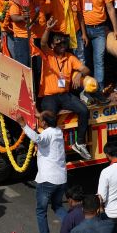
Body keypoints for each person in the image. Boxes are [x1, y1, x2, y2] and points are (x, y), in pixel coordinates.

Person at [37, 19, 91, 160]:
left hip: (65, 95)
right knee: (50, 119)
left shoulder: (70, 57)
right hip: (49, 96)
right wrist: (48, 29)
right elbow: (42, 43)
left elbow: (86, 68)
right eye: (59, 43)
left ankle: (79, 143)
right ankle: (49, 149)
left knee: (84, 110)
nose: (62, 46)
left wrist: (80, 73)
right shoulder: (48, 54)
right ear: (53, 45)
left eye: (64, 43)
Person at [75, 0, 117, 101]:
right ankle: (87, 90)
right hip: (83, 31)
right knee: (84, 62)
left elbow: (110, 9)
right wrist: (83, 33)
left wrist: (116, 29)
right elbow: (79, 13)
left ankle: (98, 91)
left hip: (100, 29)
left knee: (99, 60)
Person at [16, 111, 67, 233]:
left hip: (47, 180)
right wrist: (40, 115)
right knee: (58, 206)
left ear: (44, 122)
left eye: (40, 119)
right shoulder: (58, 132)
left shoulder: (47, 134)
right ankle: (73, 227)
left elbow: (37, 138)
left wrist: (23, 125)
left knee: (41, 211)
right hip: (61, 179)